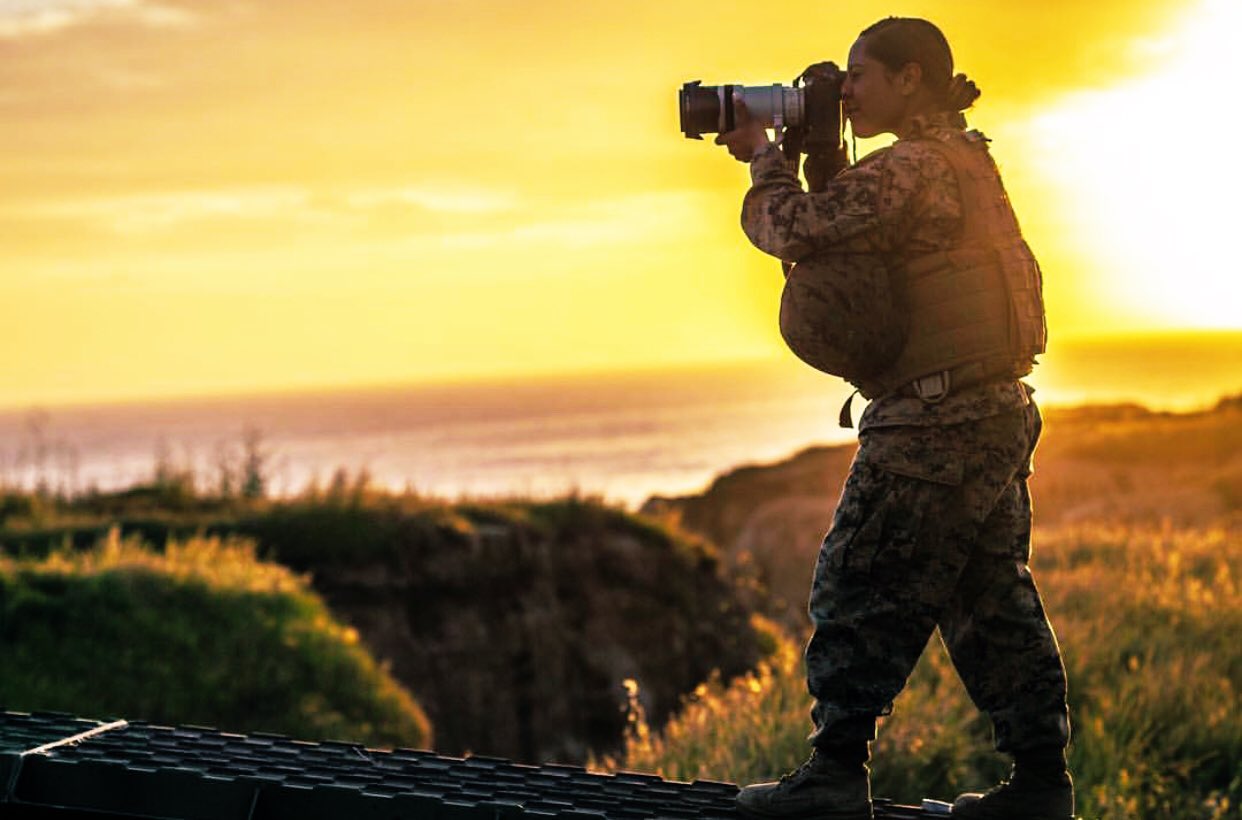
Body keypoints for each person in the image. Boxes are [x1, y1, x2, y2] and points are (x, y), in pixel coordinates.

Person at [713, 17, 1073, 820]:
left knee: (858, 580)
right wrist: (826, 156)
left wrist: (764, 158)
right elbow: (865, 235)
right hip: (991, 411)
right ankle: (1042, 789)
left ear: (910, 79)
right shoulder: (962, 158)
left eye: (861, 74)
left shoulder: (911, 167)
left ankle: (836, 774)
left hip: (935, 422)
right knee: (989, 600)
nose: (847, 89)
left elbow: (795, 229)